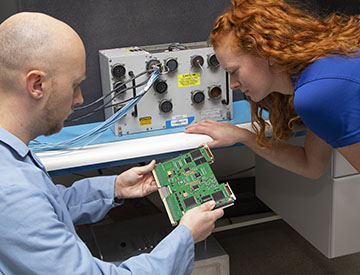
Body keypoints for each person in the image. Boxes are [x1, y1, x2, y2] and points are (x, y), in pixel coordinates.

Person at [0, 12, 224, 275]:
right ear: (37, 83)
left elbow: (48, 207)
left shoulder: (11, 158)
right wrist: (185, 236)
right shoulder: (12, 192)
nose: (80, 98)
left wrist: (114, 187)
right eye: (75, 85)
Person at [185, 0, 360, 178]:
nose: (232, 84)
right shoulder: (322, 65)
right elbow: (311, 165)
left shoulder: (316, 94)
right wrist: (243, 136)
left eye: (234, 71)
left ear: (265, 52)